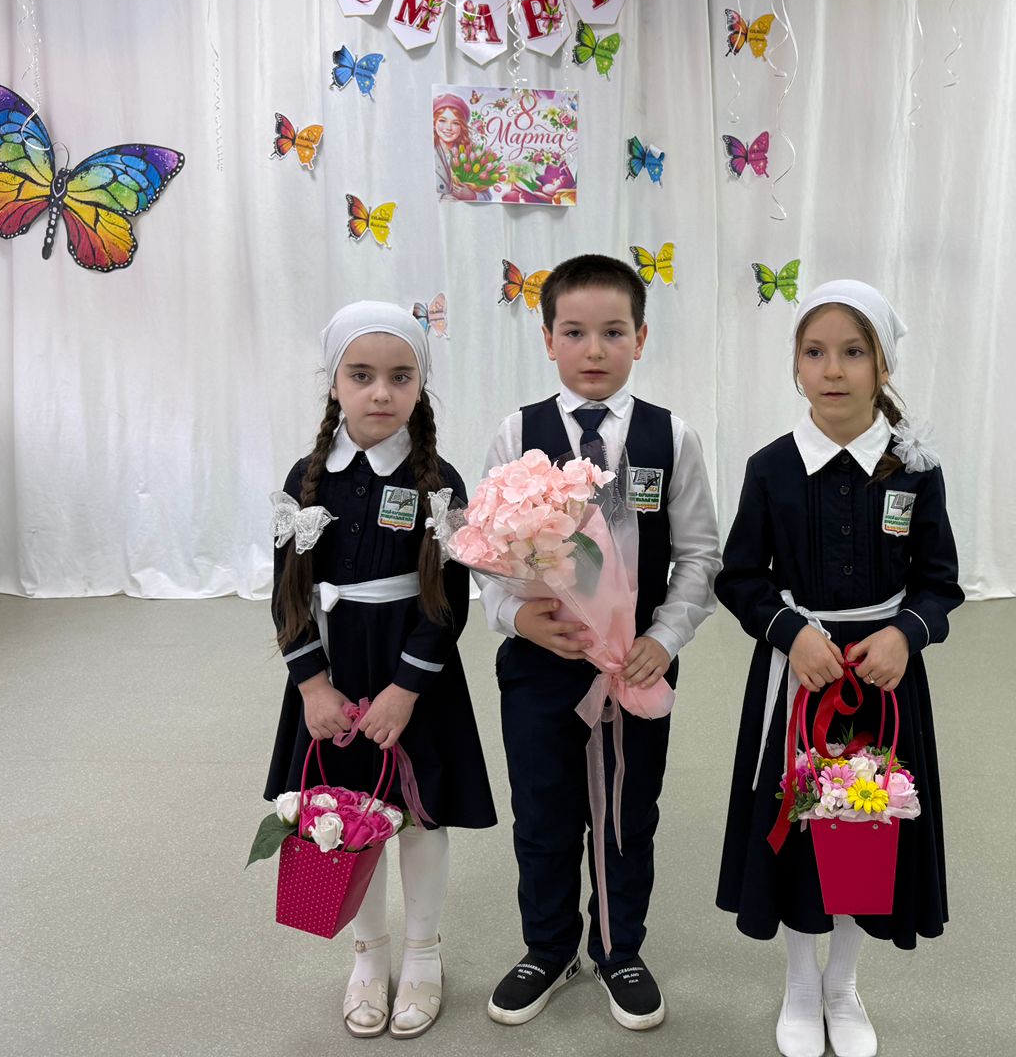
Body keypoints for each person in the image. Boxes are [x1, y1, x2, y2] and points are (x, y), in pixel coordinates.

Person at [715, 279, 963, 1057]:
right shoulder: (771, 468)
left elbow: (941, 582)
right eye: (815, 352)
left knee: (867, 824)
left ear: (883, 365)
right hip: (800, 680)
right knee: (798, 827)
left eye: (853, 352)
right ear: (795, 365)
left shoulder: (914, 469)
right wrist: (790, 633)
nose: (833, 369)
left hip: (883, 685)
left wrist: (906, 635)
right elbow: (740, 578)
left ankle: (843, 983)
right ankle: (800, 981)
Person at [478, 254, 722, 1031]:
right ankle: (548, 949)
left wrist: (664, 637)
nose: (594, 349)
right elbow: (484, 549)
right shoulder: (518, 433)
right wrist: (518, 618)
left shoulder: (670, 437)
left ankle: (620, 949)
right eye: (575, 332)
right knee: (542, 812)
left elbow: (700, 555)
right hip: (539, 665)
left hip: (634, 669)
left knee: (625, 814)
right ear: (548, 338)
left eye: (613, 332)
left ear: (641, 338)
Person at [264, 301, 496, 1039]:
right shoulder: (306, 478)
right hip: (334, 674)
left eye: (400, 377)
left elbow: (448, 601)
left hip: (414, 677)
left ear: (420, 387)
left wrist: (405, 690)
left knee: (419, 818)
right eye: (361, 376)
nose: (381, 393)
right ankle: (367, 956)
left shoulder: (439, 481)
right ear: (334, 382)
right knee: (344, 814)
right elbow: (287, 593)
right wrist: (312, 685)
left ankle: (423, 955)